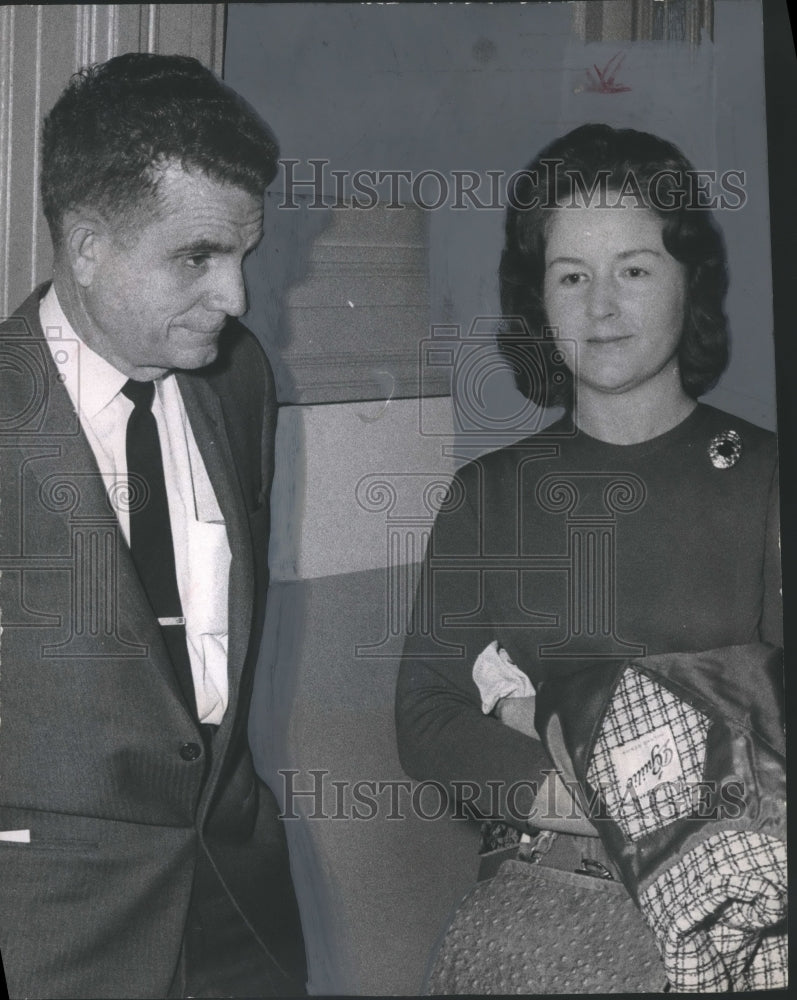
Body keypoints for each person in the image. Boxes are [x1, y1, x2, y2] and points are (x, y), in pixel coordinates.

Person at [396, 124, 783, 988]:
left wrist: (547, 723)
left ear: (692, 281)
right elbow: (425, 720)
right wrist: (639, 795)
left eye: (634, 270)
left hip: (741, 908)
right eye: (571, 276)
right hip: (544, 905)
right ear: (537, 300)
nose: (600, 306)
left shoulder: (765, 481)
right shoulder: (488, 494)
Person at [0, 53, 306, 998]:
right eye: (196, 257)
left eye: (243, 255)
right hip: (52, 935)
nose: (238, 297)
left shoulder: (237, 377)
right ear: (87, 246)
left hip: (237, 913)